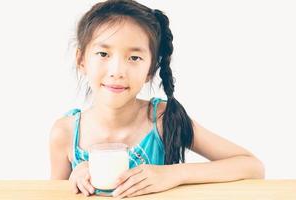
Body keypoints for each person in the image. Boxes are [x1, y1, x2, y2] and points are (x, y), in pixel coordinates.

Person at [49, 0, 265, 198]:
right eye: (103, 54)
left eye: (134, 58)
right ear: (81, 60)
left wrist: (174, 174)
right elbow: (51, 195)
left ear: (151, 69)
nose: (117, 71)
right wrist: (73, 179)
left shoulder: (163, 119)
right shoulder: (65, 133)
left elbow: (252, 166)